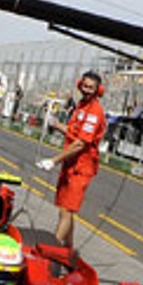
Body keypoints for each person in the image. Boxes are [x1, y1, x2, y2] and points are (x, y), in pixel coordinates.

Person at [35, 70, 107, 247]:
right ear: (79, 85)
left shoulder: (95, 111)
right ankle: (68, 250)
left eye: (91, 88)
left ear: (99, 90)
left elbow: (81, 144)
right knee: (65, 210)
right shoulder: (81, 106)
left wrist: (54, 160)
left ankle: (53, 250)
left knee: (67, 210)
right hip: (70, 164)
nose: (87, 90)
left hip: (81, 167)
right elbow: (74, 133)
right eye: (84, 86)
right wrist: (55, 123)